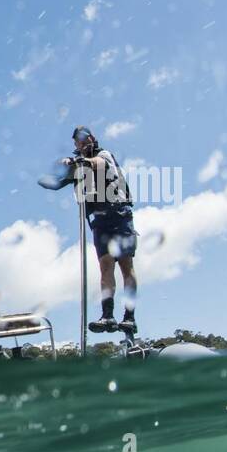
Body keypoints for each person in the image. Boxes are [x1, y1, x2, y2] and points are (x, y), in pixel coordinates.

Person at [67, 125, 138, 334]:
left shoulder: (103, 155)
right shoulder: (79, 165)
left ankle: (130, 317)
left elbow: (98, 165)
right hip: (100, 221)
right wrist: (66, 167)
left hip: (119, 214)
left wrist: (80, 161)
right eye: (76, 141)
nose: (80, 143)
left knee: (126, 266)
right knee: (105, 266)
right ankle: (108, 315)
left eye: (83, 138)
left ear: (91, 138)